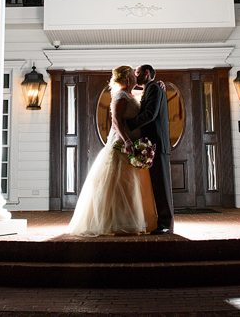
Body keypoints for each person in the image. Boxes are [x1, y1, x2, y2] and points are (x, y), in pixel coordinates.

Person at [68, 65, 156, 236]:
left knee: (128, 185)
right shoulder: (121, 95)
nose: (136, 78)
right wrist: (128, 141)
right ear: (128, 78)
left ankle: (126, 221)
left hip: (131, 147)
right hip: (121, 146)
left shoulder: (131, 95)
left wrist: (157, 85)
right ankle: (115, 223)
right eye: (133, 74)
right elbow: (116, 121)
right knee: (119, 185)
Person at [126, 64, 174, 234]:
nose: (135, 76)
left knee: (162, 186)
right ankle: (163, 222)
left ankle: (165, 223)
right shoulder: (151, 88)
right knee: (158, 185)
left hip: (157, 143)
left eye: (137, 73)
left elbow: (151, 114)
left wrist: (128, 124)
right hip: (153, 144)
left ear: (147, 73)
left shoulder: (153, 87)